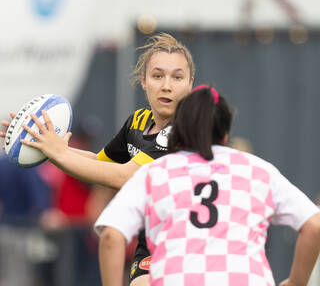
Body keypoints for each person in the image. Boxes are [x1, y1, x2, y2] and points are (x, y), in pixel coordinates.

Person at [0, 33, 195, 286]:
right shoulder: (138, 121)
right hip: (150, 238)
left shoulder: (180, 130)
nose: (167, 85)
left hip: (188, 240)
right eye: (158, 76)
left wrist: (58, 152)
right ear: (144, 81)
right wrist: (44, 146)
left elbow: (123, 176)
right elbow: (102, 161)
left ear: (190, 83)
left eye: (177, 77)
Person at [94, 85, 320, 286]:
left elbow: (111, 236)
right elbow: (314, 225)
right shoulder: (258, 170)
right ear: (225, 134)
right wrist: (295, 282)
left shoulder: (156, 172)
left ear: (178, 130)